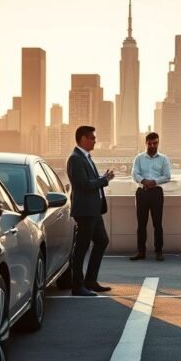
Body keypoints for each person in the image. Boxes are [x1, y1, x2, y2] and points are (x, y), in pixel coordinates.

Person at [66, 126, 114, 296]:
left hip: (94, 210)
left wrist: (101, 179)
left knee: (102, 241)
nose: (95, 141)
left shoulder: (85, 157)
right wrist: (105, 180)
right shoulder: (75, 159)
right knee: (81, 248)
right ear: (83, 139)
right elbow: (84, 185)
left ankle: (90, 281)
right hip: (85, 211)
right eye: (92, 138)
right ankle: (77, 286)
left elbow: (90, 181)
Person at [130, 131, 171, 261]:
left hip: (156, 193)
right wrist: (144, 181)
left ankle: (159, 251)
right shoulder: (139, 158)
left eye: (155, 143)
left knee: (157, 223)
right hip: (142, 192)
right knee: (141, 224)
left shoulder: (164, 159)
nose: (152, 146)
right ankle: (140, 251)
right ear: (145, 143)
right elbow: (134, 174)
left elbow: (167, 176)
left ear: (158, 143)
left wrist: (154, 182)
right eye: (150, 143)